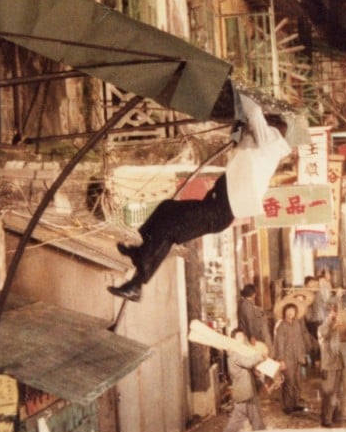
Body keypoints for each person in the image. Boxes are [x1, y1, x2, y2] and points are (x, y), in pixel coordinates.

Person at [109, 94, 291, 301]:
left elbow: (254, 112)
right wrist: (238, 122)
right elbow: (236, 140)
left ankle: (136, 284)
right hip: (214, 203)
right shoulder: (258, 148)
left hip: (219, 212)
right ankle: (140, 252)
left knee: (169, 231)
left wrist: (237, 94)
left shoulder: (271, 141)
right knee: (166, 209)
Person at [222, 328, 269, 432]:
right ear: (233, 339)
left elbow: (247, 367)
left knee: (254, 416)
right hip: (244, 392)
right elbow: (247, 363)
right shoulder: (234, 354)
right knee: (239, 419)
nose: (241, 339)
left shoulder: (239, 352)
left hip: (248, 391)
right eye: (238, 337)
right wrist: (259, 355)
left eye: (242, 337)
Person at [273, 302, 311, 414]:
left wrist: (302, 355)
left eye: (293, 311)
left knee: (297, 381)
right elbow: (279, 344)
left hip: (297, 357)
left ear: (296, 313)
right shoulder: (281, 327)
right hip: (287, 358)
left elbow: (300, 341)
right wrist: (281, 360)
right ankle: (287, 406)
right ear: (284, 313)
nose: (290, 313)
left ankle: (296, 403)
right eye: (288, 311)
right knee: (288, 382)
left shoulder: (297, 324)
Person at [317, 300, 345, 427]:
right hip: (328, 364)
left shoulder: (336, 325)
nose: (333, 314)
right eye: (330, 311)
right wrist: (331, 325)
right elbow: (325, 335)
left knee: (338, 391)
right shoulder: (322, 327)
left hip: (338, 363)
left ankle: (336, 415)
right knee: (328, 392)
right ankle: (326, 419)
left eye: (335, 311)